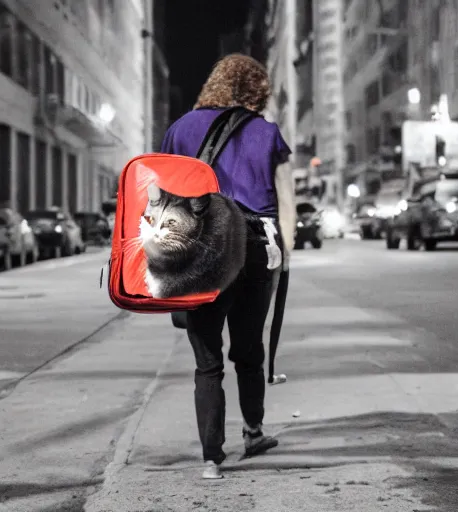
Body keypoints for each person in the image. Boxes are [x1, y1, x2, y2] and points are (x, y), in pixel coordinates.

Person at [160, 53, 296, 479]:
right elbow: (287, 202)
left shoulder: (180, 130)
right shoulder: (268, 133)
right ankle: (253, 432)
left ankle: (210, 459)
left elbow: (163, 198)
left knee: (207, 361)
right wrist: (285, 253)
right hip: (256, 245)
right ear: (257, 91)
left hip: (202, 249)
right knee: (249, 349)